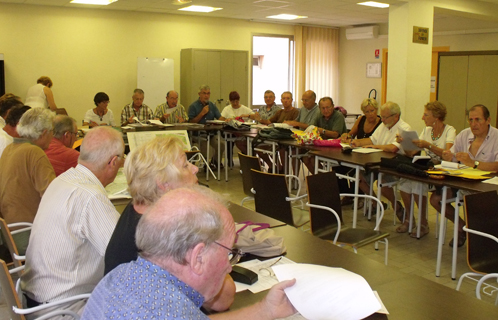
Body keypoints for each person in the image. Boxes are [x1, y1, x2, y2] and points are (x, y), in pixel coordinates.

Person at [82, 186, 297, 320]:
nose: (230, 266)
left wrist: (265, 311)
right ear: (198, 257)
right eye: (229, 252)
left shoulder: (118, 277)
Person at [104, 135, 235, 312]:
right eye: (185, 165)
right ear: (164, 184)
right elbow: (223, 298)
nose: (195, 169)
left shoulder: (137, 208)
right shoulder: (168, 233)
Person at [21, 127, 124, 318]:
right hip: (62, 308)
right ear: (113, 162)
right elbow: (123, 256)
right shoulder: (90, 196)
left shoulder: (64, 179)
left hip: (35, 297)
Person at [432, 104, 498, 247]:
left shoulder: (496, 137)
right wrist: (448, 156)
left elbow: (497, 166)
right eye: (471, 120)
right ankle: (462, 228)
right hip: (463, 181)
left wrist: (474, 163)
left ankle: (481, 241)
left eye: (478, 120)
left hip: (487, 185)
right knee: (436, 199)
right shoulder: (464, 134)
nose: (474, 124)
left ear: (488, 120)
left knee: (475, 205)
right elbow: (453, 155)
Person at [395, 101, 456, 237]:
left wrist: (428, 146)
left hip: (441, 171)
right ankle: (409, 219)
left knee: (417, 183)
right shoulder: (426, 131)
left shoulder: (449, 130)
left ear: (436, 116)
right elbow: (412, 153)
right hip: (426, 168)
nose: (423, 118)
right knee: (405, 181)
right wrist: (404, 143)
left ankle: (423, 223)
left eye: (426, 115)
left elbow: (447, 154)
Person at [351, 101, 411, 221]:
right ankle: (376, 202)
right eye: (382, 116)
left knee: (383, 184)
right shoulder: (384, 125)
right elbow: (372, 140)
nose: (382, 119)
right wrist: (357, 142)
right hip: (378, 162)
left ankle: (396, 205)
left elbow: (393, 148)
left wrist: (375, 147)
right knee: (359, 177)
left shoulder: (404, 128)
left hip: (394, 165)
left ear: (396, 116)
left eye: (385, 117)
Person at [302, 97, 347, 173]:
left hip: (337, 149)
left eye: (328, 107)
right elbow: (312, 127)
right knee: (306, 158)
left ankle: (324, 180)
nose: (326, 110)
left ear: (332, 106)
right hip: (322, 146)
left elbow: (335, 134)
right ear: (319, 108)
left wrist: (322, 131)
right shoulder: (319, 115)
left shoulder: (338, 116)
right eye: (323, 108)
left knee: (313, 159)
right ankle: (320, 179)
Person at [257, 91, 299, 172]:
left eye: (288, 98)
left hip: (289, 139)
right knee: (259, 148)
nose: (285, 100)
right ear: (281, 100)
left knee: (282, 150)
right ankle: (276, 166)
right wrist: (259, 119)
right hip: (277, 139)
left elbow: (296, 126)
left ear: (291, 100)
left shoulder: (296, 112)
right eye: (284, 98)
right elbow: (269, 122)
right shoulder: (280, 112)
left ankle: (286, 173)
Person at [188, 85, 224, 169]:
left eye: (208, 93)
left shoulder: (212, 105)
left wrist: (227, 120)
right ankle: (206, 164)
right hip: (198, 134)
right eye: (204, 93)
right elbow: (191, 122)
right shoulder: (193, 106)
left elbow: (219, 117)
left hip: (211, 133)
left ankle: (215, 162)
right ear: (199, 94)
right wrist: (202, 113)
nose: (206, 96)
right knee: (204, 145)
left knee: (221, 144)